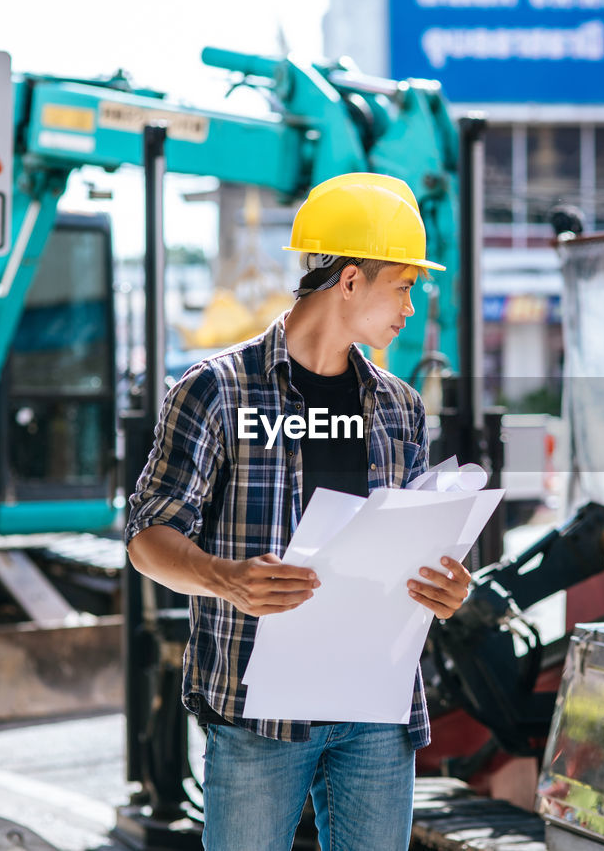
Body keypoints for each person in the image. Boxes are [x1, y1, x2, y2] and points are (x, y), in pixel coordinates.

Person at [125, 172, 473, 851]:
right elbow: (147, 537)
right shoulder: (215, 391)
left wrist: (446, 587)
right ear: (349, 281)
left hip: (375, 710)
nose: (411, 306)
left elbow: (407, 543)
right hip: (262, 714)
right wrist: (225, 578)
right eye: (402, 285)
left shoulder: (399, 408)